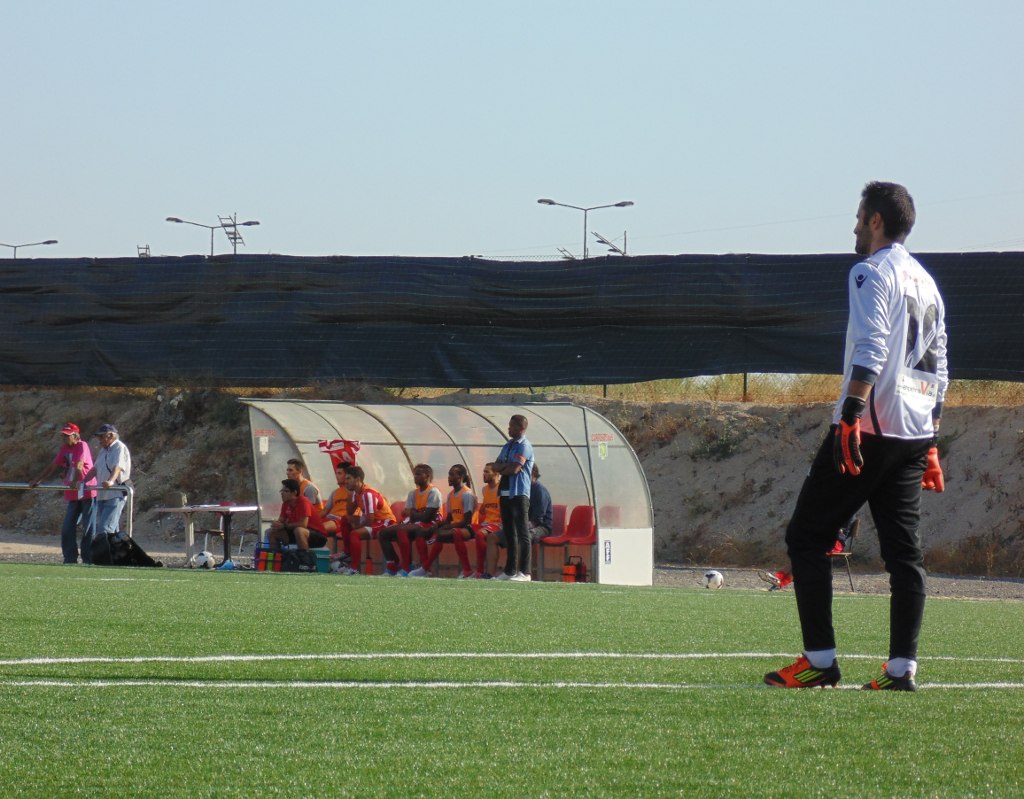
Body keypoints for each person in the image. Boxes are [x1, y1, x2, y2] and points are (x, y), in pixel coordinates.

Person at [764, 182, 947, 692]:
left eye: (859, 216)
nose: (854, 226)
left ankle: (820, 661)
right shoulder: (928, 283)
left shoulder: (871, 271)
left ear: (875, 220)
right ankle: (901, 670)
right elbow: (941, 366)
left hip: (870, 428)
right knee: (904, 554)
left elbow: (872, 345)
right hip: (914, 432)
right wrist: (932, 436)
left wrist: (850, 413)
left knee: (806, 536)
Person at [29, 422, 98, 564]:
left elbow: (79, 464)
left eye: (68, 436)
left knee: (88, 527)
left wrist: (76, 481)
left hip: (86, 491)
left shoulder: (82, 445)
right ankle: (70, 558)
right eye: (63, 436)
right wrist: (38, 480)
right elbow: (53, 466)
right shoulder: (64, 449)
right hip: (72, 493)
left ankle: (88, 558)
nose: (65, 438)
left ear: (75, 436)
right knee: (67, 526)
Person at [410, 464, 477, 579]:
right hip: (455, 527)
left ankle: (467, 570)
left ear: (461, 477)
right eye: (448, 474)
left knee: (451, 534)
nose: (449, 477)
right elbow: (449, 519)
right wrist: (436, 526)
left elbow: (467, 521)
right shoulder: (450, 495)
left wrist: (448, 527)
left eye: (452, 475)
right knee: (423, 532)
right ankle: (426, 569)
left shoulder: (467, 494)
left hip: (468, 529)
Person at [378, 464, 443, 576]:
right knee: (383, 533)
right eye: (414, 474)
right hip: (416, 523)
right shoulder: (413, 493)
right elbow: (411, 515)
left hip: (431, 524)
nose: (415, 477)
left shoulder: (433, 492)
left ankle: (407, 566)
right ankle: (393, 566)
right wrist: (415, 515)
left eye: (418, 474)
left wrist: (413, 514)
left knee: (402, 530)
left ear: (427, 476)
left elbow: (427, 517)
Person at [760, 517, 858, 591]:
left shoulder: (848, 513)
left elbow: (839, 533)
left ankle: (779, 581)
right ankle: (778, 580)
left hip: (835, 544)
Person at [494, 414, 535, 582]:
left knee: (523, 533)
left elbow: (515, 469)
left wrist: (504, 468)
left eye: (512, 426)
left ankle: (525, 572)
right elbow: (495, 466)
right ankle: (510, 571)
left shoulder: (525, 446)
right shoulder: (507, 445)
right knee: (509, 533)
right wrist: (505, 467)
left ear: (521, 428)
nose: (508, 429)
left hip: (519, 494)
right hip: (505, 493)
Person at [338, 466, 396, 576]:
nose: (346, 482)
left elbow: (370, 519)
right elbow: (349, 512)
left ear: (358, 479)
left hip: (385, 522)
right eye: (345, 479)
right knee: (345, 519)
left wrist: (357, 527)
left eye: (348, 478)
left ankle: (354, 569)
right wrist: (350, 495)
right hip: (373, 521)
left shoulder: (368, 494)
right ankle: (347, 553)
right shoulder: (356, 493)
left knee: (354, 534)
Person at [81, 424, 132, 538]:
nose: (99, 440)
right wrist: (83, 482)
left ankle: (103, 550)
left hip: (115, 494)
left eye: (101, 437)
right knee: (113, 533)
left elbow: (117, 467)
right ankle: (118, 550)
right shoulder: (103, 451)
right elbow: (95, 469)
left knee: (105, 530)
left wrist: (111, 481)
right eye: (98, 437)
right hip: (102, 495)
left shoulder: (119, 447)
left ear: (110, 436)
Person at [267, 478, 328, 551]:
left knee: (299, 530)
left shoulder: (303, 501)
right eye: (281, 491)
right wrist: (276, 524)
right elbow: (281, 521)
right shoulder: (286, 504)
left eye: (286, 491)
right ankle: (277, 556)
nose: (282, 493)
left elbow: (303, 524)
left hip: (317, 536)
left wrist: (284, 526)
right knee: (271, 532)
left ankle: (304, 557)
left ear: (294, 493)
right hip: (297, 532)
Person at [474, 462, 503, 579]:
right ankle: (467, 571)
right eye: (483, 471)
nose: (484, 474)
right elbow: (483, 509)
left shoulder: (502, 488)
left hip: (498, 523)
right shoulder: (485, 489)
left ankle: (481, 571)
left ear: (496, 474)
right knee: (461, 531)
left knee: (480, 534)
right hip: (487, 523)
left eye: (487, 472)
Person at [319, 462, 353, 557]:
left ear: (347, 475)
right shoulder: (335, 492)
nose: (336, 476)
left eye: (339, 473)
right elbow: (325, 511)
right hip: (330, 518)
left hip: (340, 520)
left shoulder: (355, 491)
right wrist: (312, 520)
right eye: (336, 473)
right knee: (308, 528)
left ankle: (324, 557)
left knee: (318, 530)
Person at [528, 464, 553, 541]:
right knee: (496, 536)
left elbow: (538, 520)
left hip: (543, 527)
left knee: (524, 536)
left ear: (532, 473)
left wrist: (523, 527)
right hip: (527, 524)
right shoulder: (524, 490)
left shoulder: (540, 491)